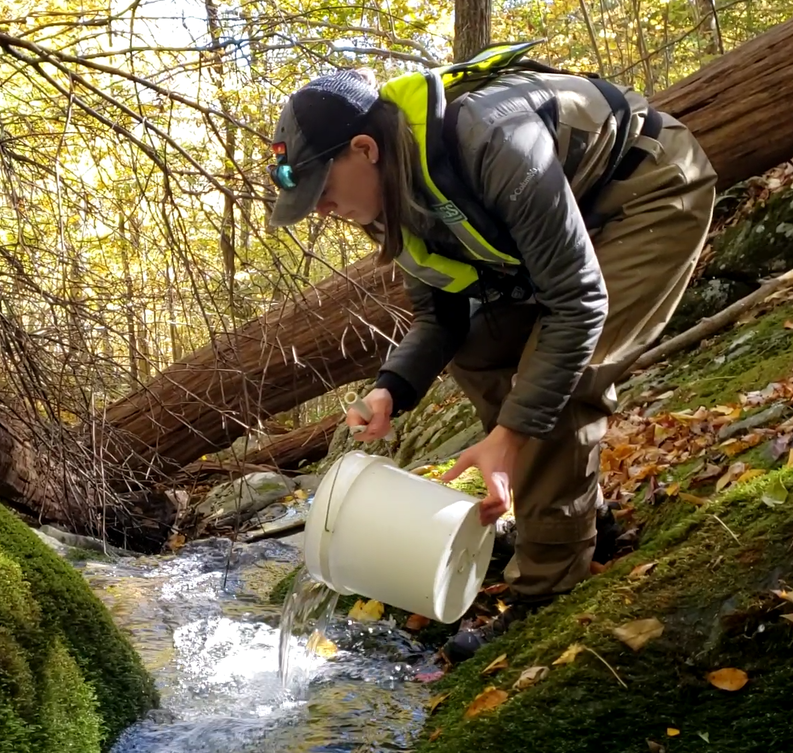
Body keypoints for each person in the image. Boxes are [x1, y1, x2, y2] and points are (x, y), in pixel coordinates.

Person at [265, 41, 716, 660]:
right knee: (480, 348)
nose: (320, 208)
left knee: (563, 379)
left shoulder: (493, 139)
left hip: (648, 191)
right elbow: (442, 318)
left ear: (364, 150)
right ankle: (573, 521)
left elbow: (579, 303)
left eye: (321, 188)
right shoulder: (389, 199)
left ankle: (547, 594)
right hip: (563, 229)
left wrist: (509, 434)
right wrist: (389, 389)